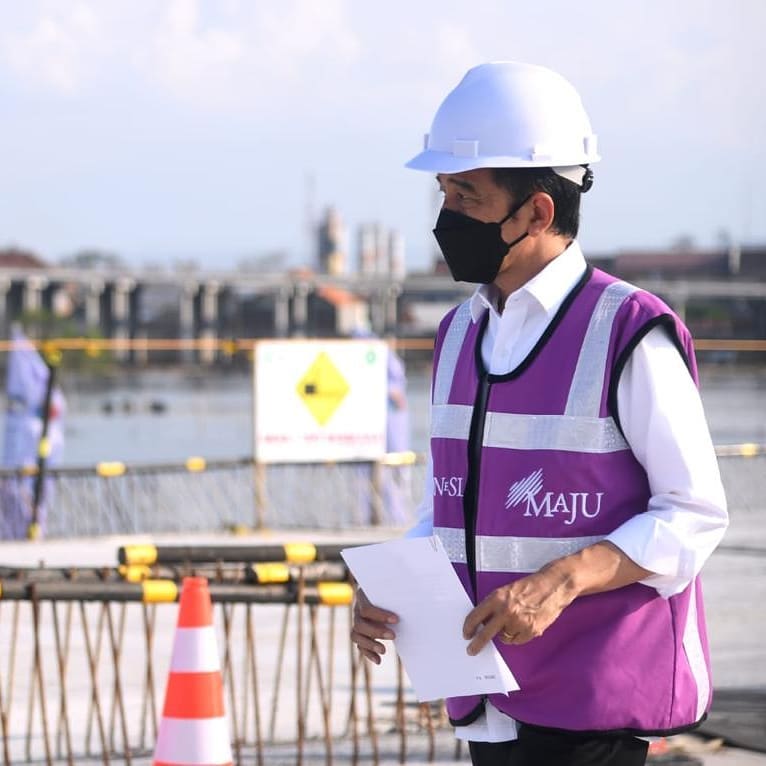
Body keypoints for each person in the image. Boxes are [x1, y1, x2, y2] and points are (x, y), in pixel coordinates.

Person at [350, 61, 728, 766]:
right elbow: (453, 505)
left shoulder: (629, 330)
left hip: (593, 700)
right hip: (486, 698)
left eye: (466, 194)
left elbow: (694, 514)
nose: (445, 215)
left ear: (537, 212)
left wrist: (563, 579)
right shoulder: (458, 333)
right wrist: (390, 584)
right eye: (443, 191)